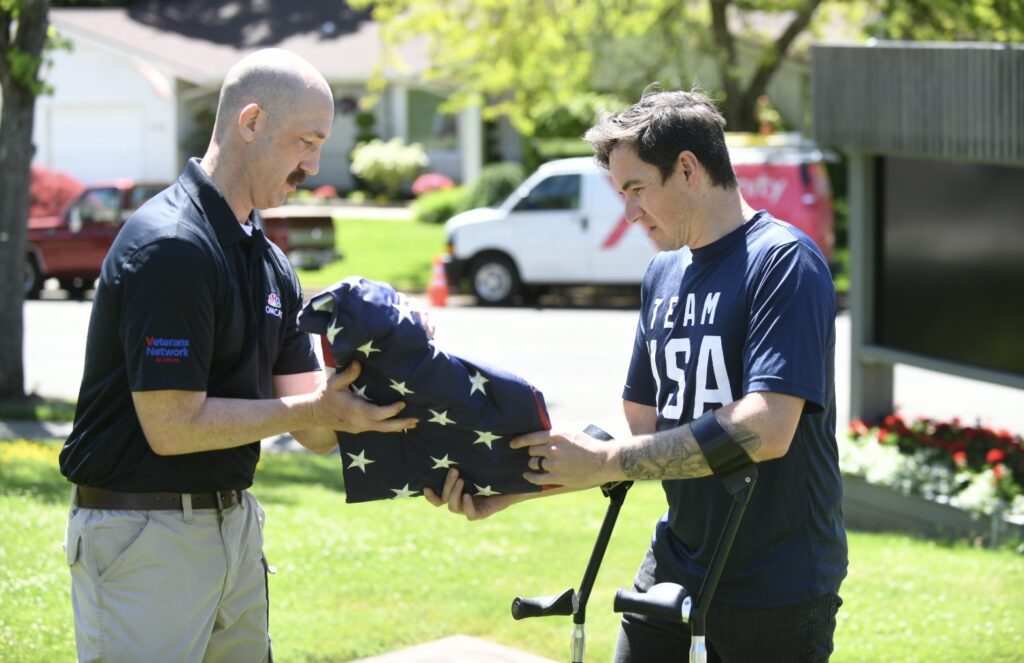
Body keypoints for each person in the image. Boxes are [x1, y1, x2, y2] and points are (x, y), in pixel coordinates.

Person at [426, 89, 847, 662]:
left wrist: (609, 463)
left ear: (688, 168)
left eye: (636, 189)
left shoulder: (783, 263)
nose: (628, 213)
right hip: (675, 568)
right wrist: (516, 479)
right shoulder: (663, 274)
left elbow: (767, 429)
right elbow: (638, 426)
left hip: (777, 585)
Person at [58, 48, 418, 662]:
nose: (313, 163)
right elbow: (172, 428)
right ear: (250, 122)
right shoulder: (172, 246)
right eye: (305, 140)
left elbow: (316, 432)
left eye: (320, 144)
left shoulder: (270, 262)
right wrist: (311, 410)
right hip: (143, 535)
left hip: (234, 526)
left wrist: (389, 372)